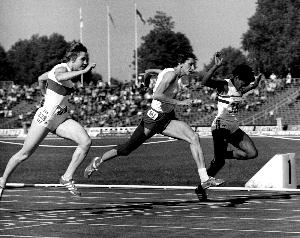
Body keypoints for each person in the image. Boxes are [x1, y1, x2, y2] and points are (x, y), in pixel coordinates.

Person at [84, 53, 224, 196]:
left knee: (193, 137)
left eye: (194, 65)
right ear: (181, 63)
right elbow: (156, 95)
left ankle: (204, 178)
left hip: (166, 119)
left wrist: (145, 82)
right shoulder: (170, 75)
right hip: (154, 118)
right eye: (190, 65)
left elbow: (149, 72)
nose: (192, 68)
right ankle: (98, 160)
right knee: (127, 149)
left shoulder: (171, 73)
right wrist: (179, 102)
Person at [0, 42, 96, 198]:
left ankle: (66, 177)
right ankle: (2, 181)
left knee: (85, 142)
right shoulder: (61, 69)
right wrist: (85, 71)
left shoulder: (65, 71)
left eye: (86, 60)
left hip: (62, 119)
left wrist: (43, 91)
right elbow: (58, 76)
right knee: (24, 154)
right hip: (45, 119)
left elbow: (41, 78)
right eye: (82, 59)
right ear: (72, 59)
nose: (85, 62)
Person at [201, 52, 262, 178]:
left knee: (251, 153)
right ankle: (202, 186)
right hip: (221, 126)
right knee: (219, 163)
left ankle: (221, 154)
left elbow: (246, 89)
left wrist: (254, 85)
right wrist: (215, 66)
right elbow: (205, 82)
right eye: (243, 83)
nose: (243, 86)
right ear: (237, 77)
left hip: (233, 127)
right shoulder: (224, 84)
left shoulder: (240, 89)